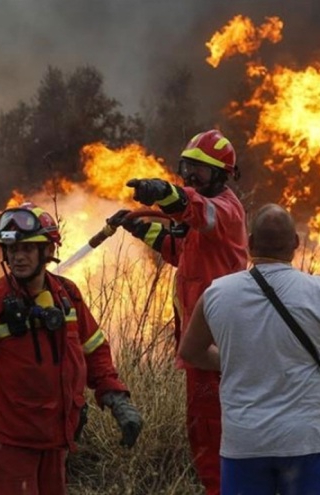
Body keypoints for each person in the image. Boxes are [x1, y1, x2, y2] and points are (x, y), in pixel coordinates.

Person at [177, 203, 320, 495]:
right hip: (307, 440)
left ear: (251, 243)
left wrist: (236, 360)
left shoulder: (217, 293)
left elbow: (190, 353)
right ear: (295, 244)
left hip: (245, 442)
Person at [0, 202, 143, 494]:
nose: (17, 257)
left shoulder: (67, 296)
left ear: (48, 250)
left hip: (57, 438)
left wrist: (119, 402)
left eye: (27, 248)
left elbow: (95, 352)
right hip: (11, 444)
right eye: (11, 250)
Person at [108, 129, 249, 494]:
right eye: (187, 167)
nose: (190, 176)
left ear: (221, 174)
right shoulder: (202, 214)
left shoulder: (225, 210)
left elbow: (197, 211)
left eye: (200, 171)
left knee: (212, 432)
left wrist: (165, 194)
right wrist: (141, 230)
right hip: (201, 345)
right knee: (203, 431)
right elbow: (182, 253)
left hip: (217, 346)